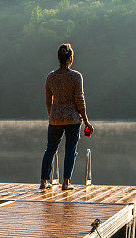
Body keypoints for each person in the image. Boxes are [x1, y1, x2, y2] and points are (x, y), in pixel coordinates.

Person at [40, 43, 93, 190]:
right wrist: (86, 120)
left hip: (55, 118)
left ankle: (44, 181)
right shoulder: (76, 77)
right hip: (72, 118)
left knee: (50, 149)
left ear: (59, 58)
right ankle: (66, 183)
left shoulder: (51, 77)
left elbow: (48, 100)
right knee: (70, 150)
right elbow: (79, 100)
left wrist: (51, 115)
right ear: (70, 58)